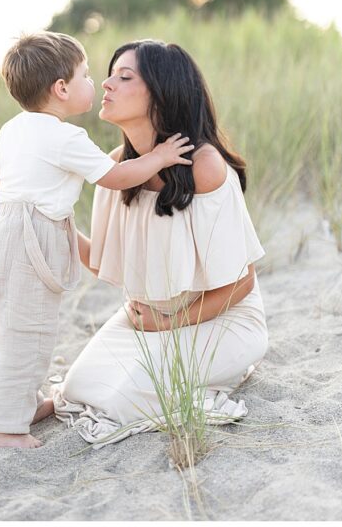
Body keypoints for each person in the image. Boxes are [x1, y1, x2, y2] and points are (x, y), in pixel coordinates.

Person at [0, 32, 194, 449]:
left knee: (9, 327)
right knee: (30, 332)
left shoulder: (14, 127)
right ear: (61, 89)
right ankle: (1, 428)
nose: (97, 84)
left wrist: (23, 196)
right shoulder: (65, 137)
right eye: (87, 75)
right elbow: (116, 177)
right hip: (27, 236)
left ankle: (23, 403)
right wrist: (160, 158)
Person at [48, 39, 268, 447]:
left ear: (162, 93)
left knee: (121, 402)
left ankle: (225, 372)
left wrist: (169, 323)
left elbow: (241, 283)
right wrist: (54, 220)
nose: (107, 84)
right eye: (109, 74)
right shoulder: (117, 166)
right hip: (148, 319)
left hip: (221, 319)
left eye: (124, 76)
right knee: (78, 391)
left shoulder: (204, 167)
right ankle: (185, 373)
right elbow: (101, 261)